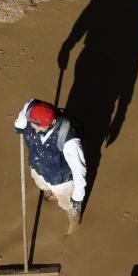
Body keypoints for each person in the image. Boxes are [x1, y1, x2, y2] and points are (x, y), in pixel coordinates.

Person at [13, 99, 87, 233]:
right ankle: (47, 190)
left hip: (60, 181)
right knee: (41, 183)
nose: (32, 127)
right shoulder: (32, 113)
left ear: (50, 123)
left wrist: (77, 198)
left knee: (67, 203)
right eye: (31, 122)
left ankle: (74, 218)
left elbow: (79, 171)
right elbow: (28, 106)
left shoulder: (69, 140)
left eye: (37, 125)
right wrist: (20, 122)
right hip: (37, 167)